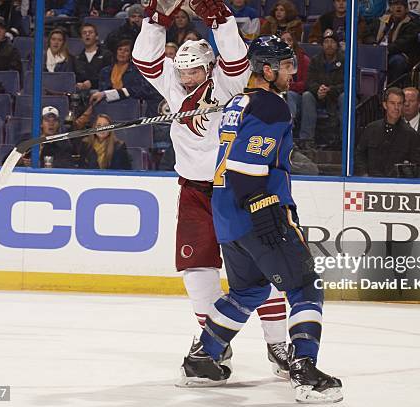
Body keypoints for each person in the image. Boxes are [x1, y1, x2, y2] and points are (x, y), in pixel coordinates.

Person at [180, 35, 343, 404]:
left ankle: (203, 358)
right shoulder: (272, 106)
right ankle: (304, 370)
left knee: (247, 290)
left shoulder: (239, 101)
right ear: (266, 70)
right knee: (305, 287)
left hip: (225, 213)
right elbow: (244, 166)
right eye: (286, 66)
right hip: (256, 211)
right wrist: (264, 209)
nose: (293, 72)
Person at [133, 0, 290, 377]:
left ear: (209, 67)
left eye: (194, 72)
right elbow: (145, 60)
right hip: (193, 193)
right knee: (197, 272)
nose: (187, 79)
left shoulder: (228, 81)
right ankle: (213, 344)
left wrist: (220, 18)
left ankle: (278, 345)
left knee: (266, 269)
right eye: (183, 72)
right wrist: (156, 20)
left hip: (234, 190)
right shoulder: (173, 83)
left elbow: (236, 56)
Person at [354, 87, 420, 177]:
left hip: (397, 186)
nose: (396, 107)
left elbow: (417, 166)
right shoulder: (371, 129)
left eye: (399, 103)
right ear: (385, 105)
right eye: (392, 103)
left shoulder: (411, 135)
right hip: (371, 184)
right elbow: (359, 155)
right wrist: (364, 174)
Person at [89, 39, 162, 117]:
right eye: (120, 49)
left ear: (130, 54)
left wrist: (111, 94)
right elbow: (103, 90)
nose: (122, 52)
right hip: (109, 108)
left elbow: (139, 90)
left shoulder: (137, 71)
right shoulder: (105, 71)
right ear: (116, 51)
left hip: (130, 109)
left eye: (126, 50)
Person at [299, 29, 344, 147]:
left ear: (337, 45)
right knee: (307, 96)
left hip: (336, 96)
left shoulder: (345, 60)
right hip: (319, 96)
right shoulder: (315, 60)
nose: (329, 45)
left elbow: (350, 84)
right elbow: (309, 81)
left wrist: (330, 90)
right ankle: (306, 140)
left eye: (332, 42)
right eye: (326, 42)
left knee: (345, 98)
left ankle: (344, 139)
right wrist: (318, 89)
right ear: (322, 45)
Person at [365, 0, 420, 83]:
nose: (398, 7)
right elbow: (368, 34)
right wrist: (373, 44)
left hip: (397, 54)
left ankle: (391, 89)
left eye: (402, 5)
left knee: (397, 61)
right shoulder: (380, 20)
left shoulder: (411, 24)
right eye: (396, 4)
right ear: (391, 8)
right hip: (378, 52)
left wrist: (386, 50)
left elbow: (403, 43)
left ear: (407, 9)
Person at [280, 31, 309, 127]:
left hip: (299, 98)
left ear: (294, 43)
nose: (286, 43)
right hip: (281, 95)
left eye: (289, 40)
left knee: (290, 94)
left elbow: (305, 85)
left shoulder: (304, 60)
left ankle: (289, 127)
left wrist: (289, 86)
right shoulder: (275, 61)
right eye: (283, 40)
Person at [74, 23, 113, 93]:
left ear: (97, 36)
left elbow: (109, 76)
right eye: (84, 33)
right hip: (82, 93)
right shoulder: (77, 58)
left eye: (90, 32)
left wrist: (92, 83)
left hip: (101, 91)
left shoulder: (107, 55)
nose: (87, 34)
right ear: (81, 38)